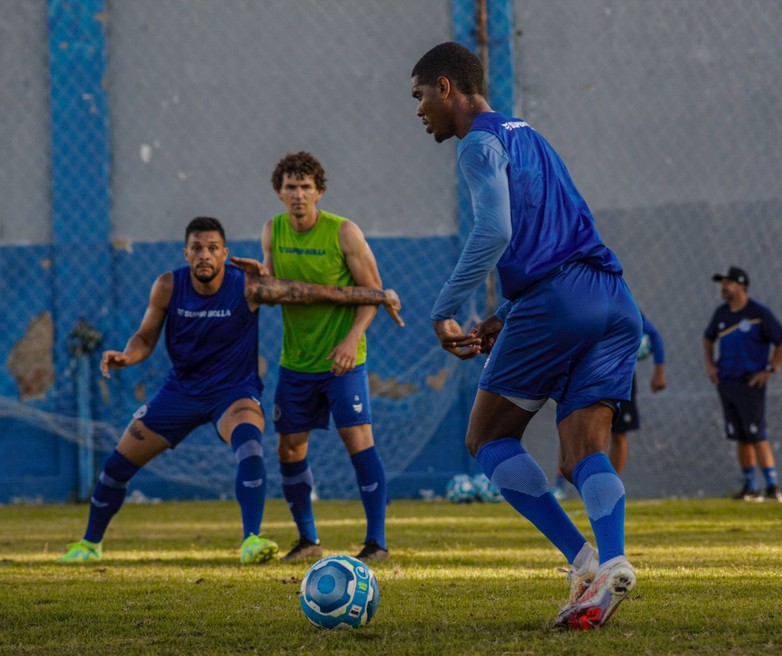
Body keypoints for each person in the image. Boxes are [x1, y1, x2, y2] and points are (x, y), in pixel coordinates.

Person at [411, 42, 640, 630]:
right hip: (612, 299)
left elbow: (495, 231)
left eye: (419, 98)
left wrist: (445, 310)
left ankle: (583, 560)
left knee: (486, 435)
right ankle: (612, 561)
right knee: (581, 452)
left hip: (556, 301)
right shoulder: (528, 134)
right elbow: (556, 231)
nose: (419, 113)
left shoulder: (478, 144)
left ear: (446, 88)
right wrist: (508, 312)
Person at [59, 216, 403, 565]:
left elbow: (312, 292)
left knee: (250, 444)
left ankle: (251, 539)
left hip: (233, 393)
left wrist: (377, 294)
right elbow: (145, 337)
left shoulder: (247, 287)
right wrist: (127, 356)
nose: (204, 255)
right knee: (116, 466)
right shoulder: (167, 286)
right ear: (186, 252)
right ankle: (89, 545)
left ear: (225, 253)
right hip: (180, 393)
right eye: (197, 248)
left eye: (212, 248)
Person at [257, 152, 392, 563]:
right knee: (290, 449)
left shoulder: (344, 233)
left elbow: (374, 293)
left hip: (342, 361)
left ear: (319, 190)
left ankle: (377, 543)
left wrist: (352, 340)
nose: (298, 194)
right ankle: (308, 540)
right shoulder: (272, 231)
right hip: (296, 362)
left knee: (358, 442)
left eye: (305, 186)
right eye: (290, 187)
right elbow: (269, 284)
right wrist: (257, 281)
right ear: (279, 193)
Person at [551, 312, 666, 497]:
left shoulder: (624, 303)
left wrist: (659, 370)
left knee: (618, 435)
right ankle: (559, 486)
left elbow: (654, 335)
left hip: (620, 377)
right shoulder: (580, 303)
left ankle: (611, 489)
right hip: (585, 374)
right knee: (571, 428)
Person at [704, 266, 782, 503]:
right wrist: (711, 366)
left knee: (757, 434)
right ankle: (750, 486)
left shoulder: (758, 313)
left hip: (750, 383)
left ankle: (772, 486)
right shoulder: (721, 314)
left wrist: (770, 370)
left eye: (728, 283)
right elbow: (708, 338)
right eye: (722, 283)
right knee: (740, 436)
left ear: (741, 285)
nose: (723, 287)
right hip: (727, 382)